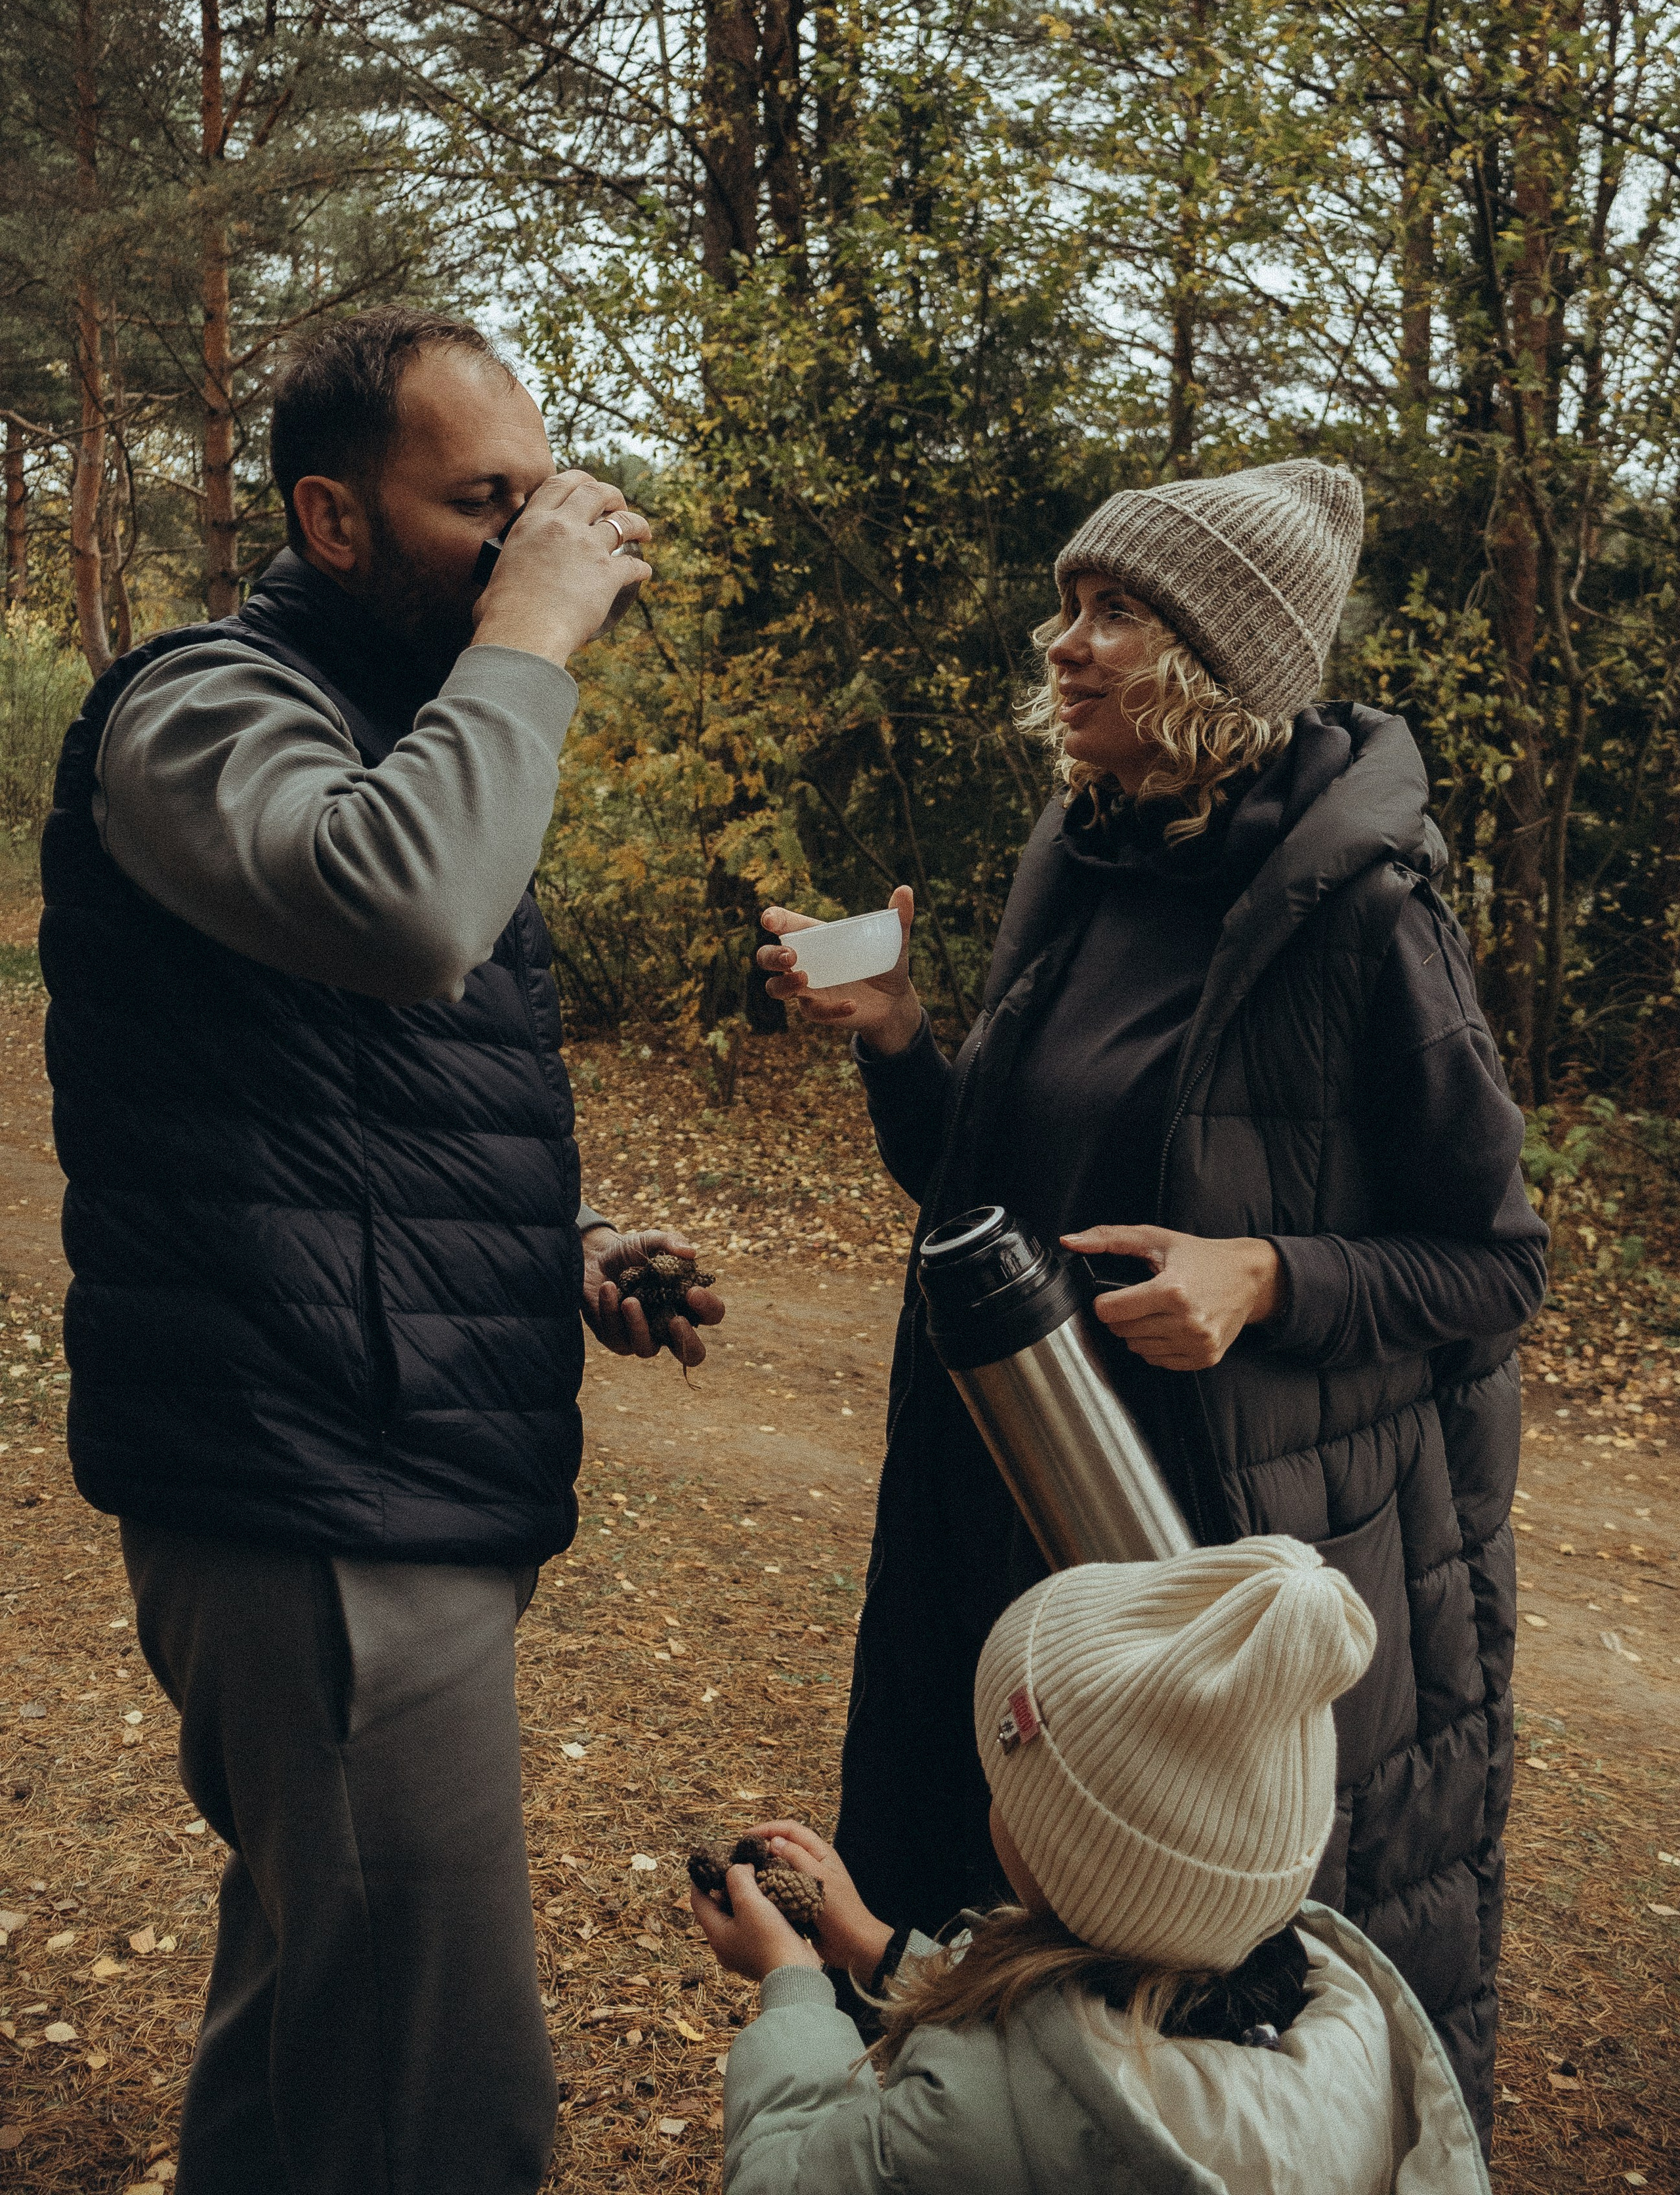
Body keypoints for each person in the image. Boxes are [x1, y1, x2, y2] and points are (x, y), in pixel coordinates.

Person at [759, 461, 1545, 2145]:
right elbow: (991, 1205)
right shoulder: (1083, 850)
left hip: (1211, 1577)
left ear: (1217, 657)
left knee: (1179, 2063)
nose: (1065, 642)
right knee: (989, 1996)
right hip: (1009, 1524)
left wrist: (1261, 1275)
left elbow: (1497, 1264)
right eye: (1071, 602)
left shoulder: (1365, 914)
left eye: (1115, 611)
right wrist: (901, 1037)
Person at [38, 310, 724, 2195]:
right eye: (478, 503)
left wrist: (556, 1246)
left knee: (319, 2040)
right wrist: (533, 634)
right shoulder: (199, 710)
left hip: (379, 1456)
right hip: (308, 1492)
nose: (530, 541)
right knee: (441, 2108)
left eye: (538, 495)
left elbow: (339, 1090)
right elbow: (408, 914)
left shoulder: (405, 734)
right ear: (331, 522)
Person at [692, 1539, 1490, 2195]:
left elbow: (781, 2177)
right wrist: (875, 1948)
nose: (995, 1804)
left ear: (1073, 1859)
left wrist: (792, 1983)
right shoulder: (1334, 2023)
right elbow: (1067, 2046)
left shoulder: (968, 2112)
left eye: (1012, 1792)